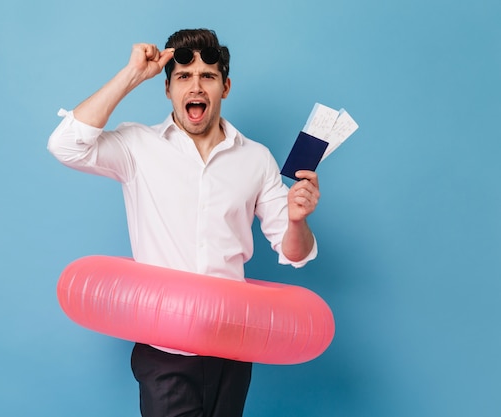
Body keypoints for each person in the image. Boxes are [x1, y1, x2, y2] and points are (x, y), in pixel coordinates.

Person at [47, 28, 321, 417]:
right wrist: (131, 75)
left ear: (224, 87)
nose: (196, 86)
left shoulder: (256, 159)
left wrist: (297, 220)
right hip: (166, 352)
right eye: (183, 77)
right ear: (167, 89)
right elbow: (65, 145)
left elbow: (295, 253)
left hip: (233, 346)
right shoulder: (137, 146)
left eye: (207, 76)